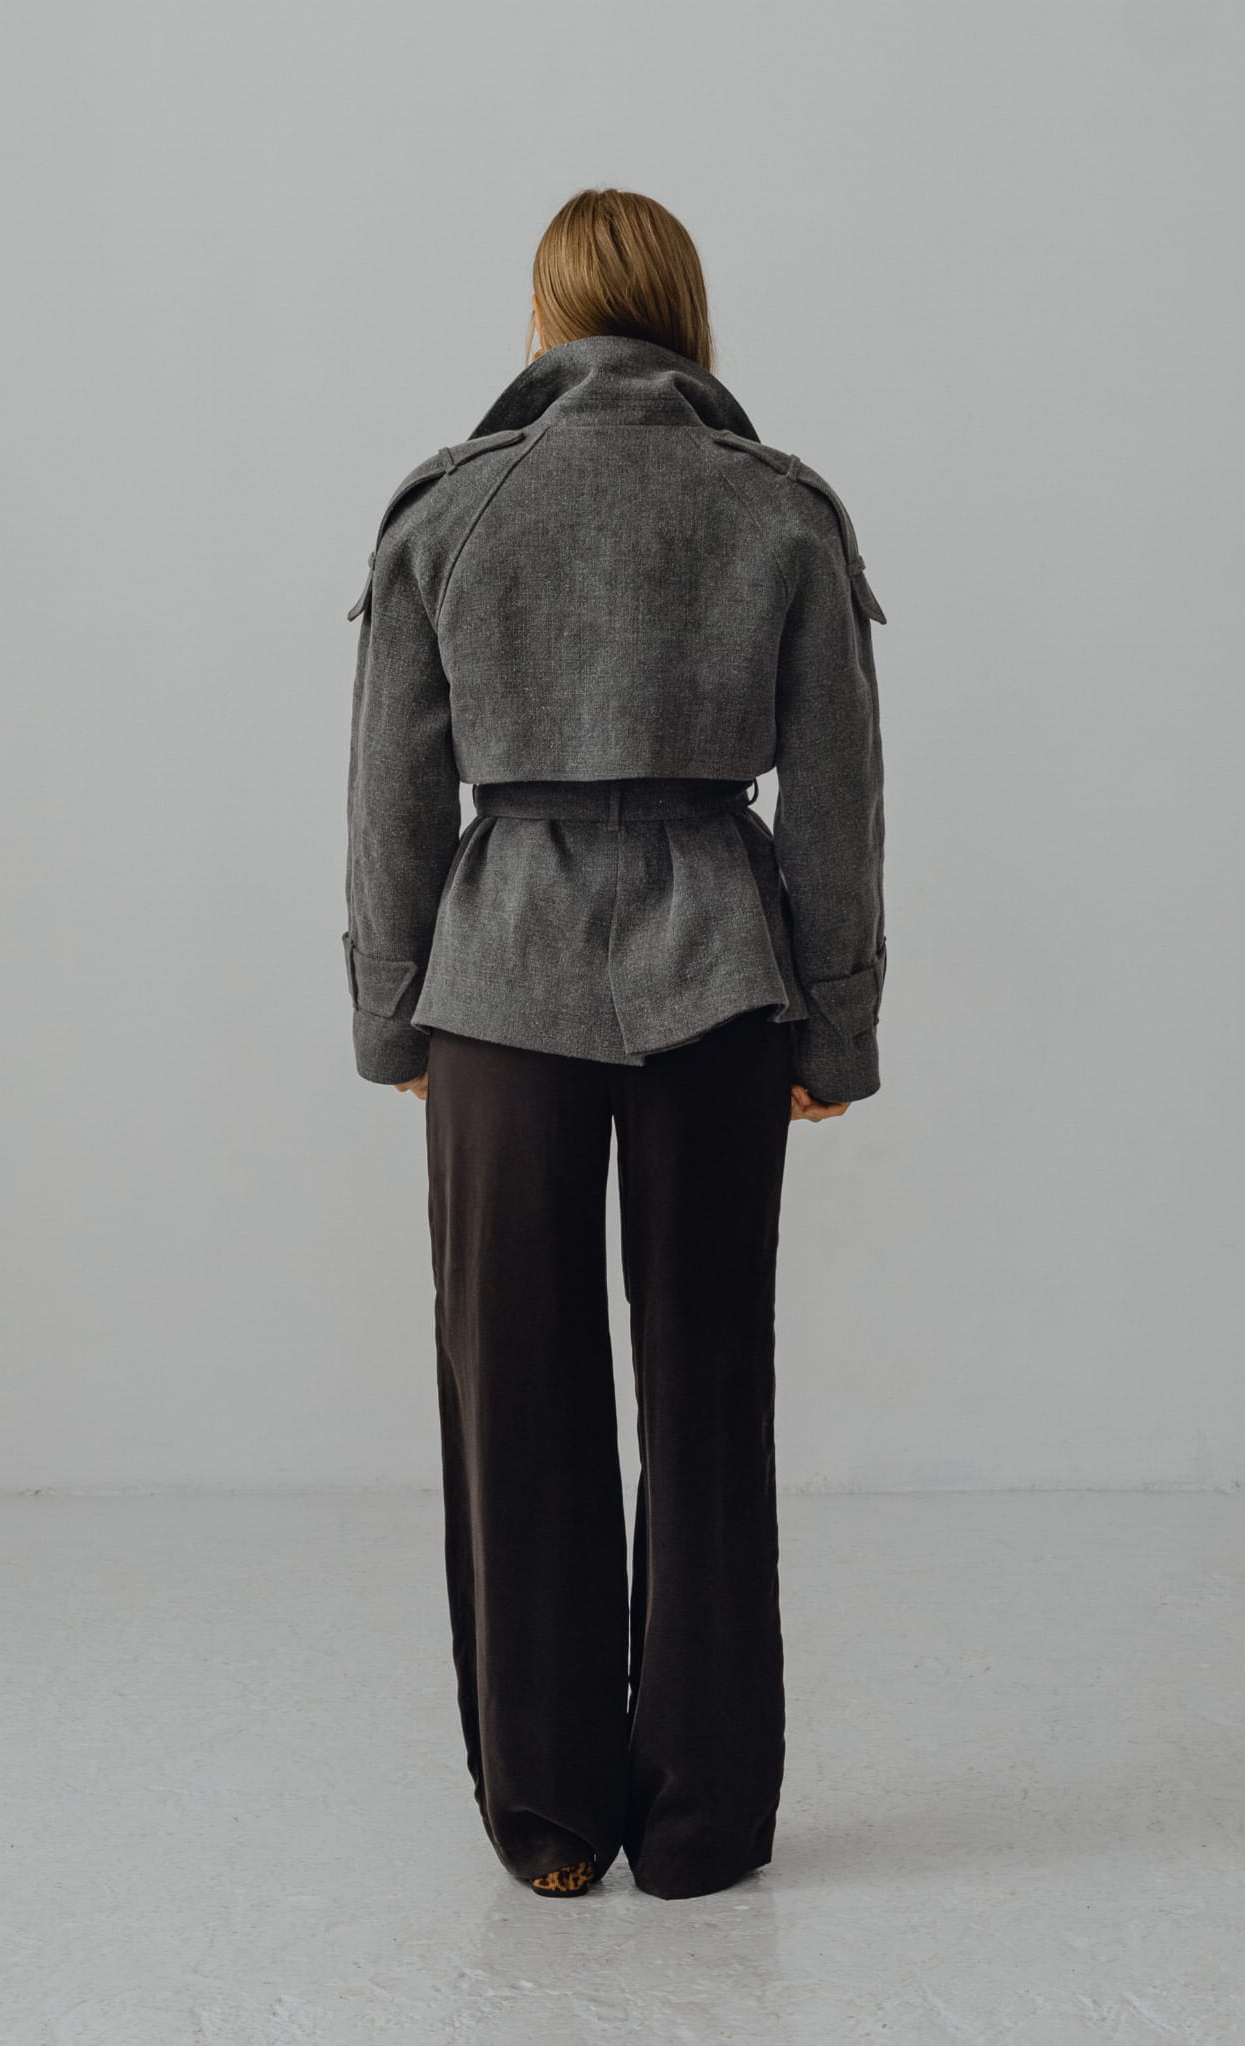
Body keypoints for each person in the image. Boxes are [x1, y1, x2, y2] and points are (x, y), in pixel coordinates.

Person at [341, 188, 887, 1902]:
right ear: (684, 313)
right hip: (719, 967)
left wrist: (392, 1010)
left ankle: (551, 1811)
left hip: (496, 974)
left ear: (546, 316)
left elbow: (390, 794)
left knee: (512, 1385)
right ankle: (702, 1820)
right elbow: (838, 796)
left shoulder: (449, 506)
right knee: (708, 1382)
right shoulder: (777, 506)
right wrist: (835, 1022)